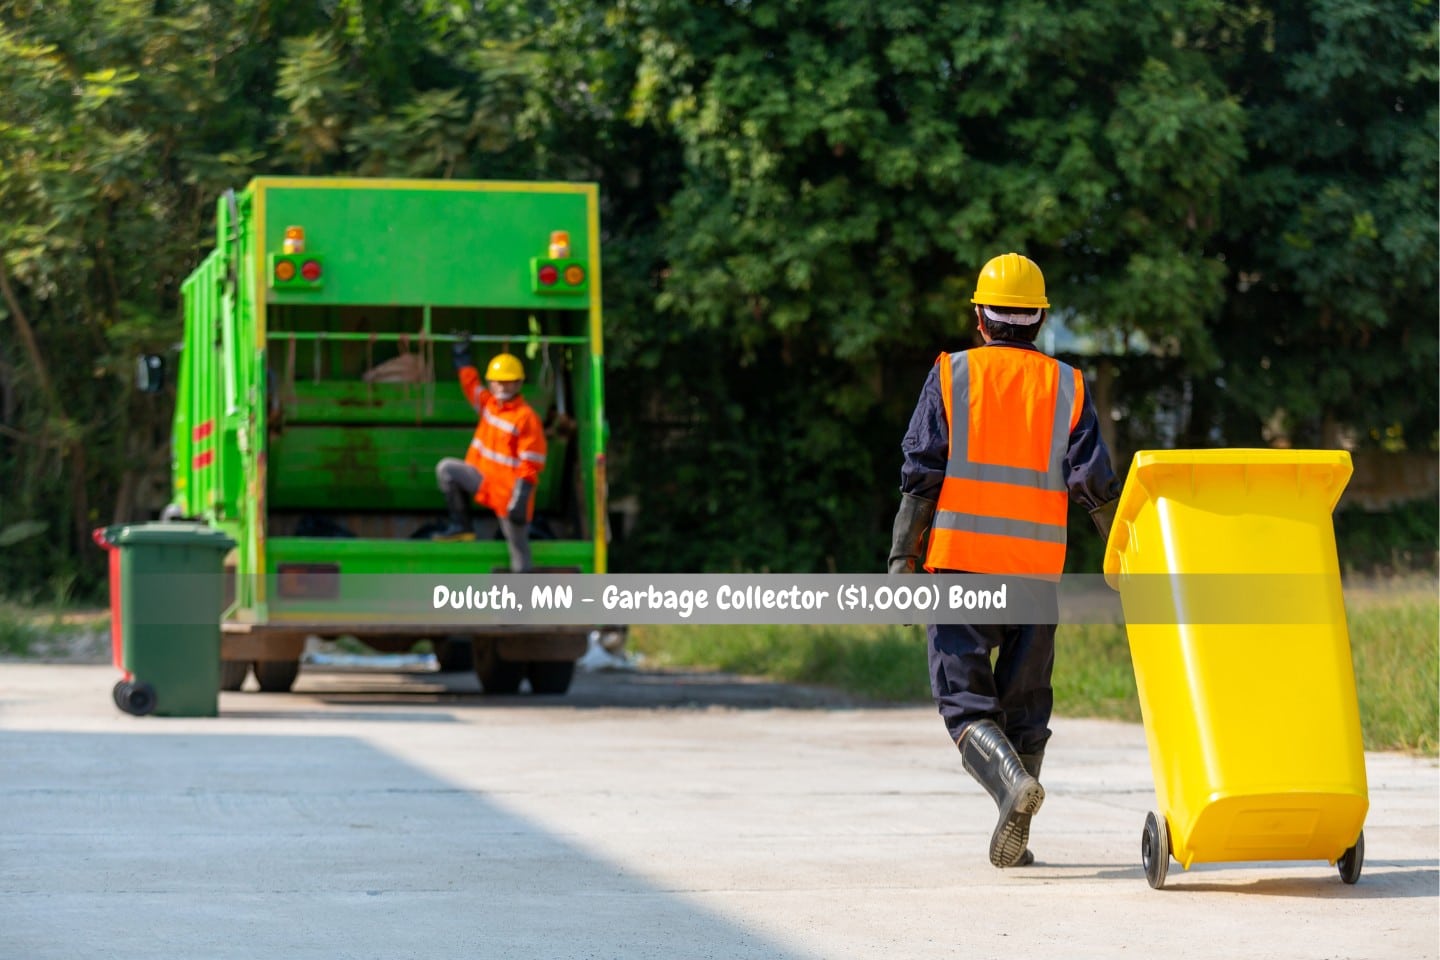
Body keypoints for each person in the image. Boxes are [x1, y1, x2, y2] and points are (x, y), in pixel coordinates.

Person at [888, 252, 1122, 868]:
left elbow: (921, 476)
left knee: (966, 704)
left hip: (960, 566)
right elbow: (1095, 485)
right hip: (1035, 575)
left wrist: (901, 561)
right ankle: (1018, 831)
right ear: (1039, 320)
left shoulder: (951, 376)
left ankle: (1011, 791)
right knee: (1025, 704)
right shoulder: (1067, 386)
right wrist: (1127, 558)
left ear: (980, 318)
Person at [433, 334, 547, 572]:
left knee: (519, 550)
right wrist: (462, 357)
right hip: (484, 480)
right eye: (498, 382)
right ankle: (462, 527)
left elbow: (531, 461)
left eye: (509, 382)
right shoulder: (489, 405)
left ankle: (520, 608)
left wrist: (521, 497)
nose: (503, 386)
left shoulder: (526, 418)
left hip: (509, 494)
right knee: (447, 469)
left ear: (519, 383)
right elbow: (470, 385)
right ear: (491, 382)